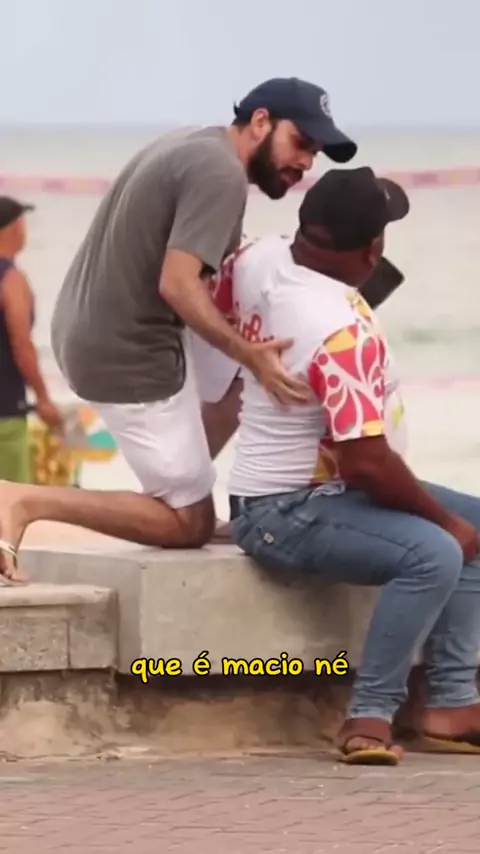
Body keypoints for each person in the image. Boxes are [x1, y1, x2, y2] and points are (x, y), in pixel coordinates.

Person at [218, 166, 480, 765]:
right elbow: (366, 464)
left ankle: (451, 703)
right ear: (373, 249)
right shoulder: (340, 331)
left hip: (302, 493)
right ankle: (369, 715)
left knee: (476, 525)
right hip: (281, 511)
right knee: (436, 551)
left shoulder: (259, 258)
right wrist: (445, 522)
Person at [0, 197, 63, 488]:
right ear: (15, 228)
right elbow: (21, 344)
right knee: (9, 499)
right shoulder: (10, 279)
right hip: (4, 412)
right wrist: (43, 398)